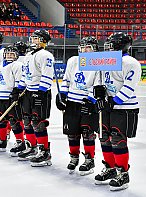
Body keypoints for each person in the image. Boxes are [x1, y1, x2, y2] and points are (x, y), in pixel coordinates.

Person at [94, 32, 141, 191]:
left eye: (111, 44)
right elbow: (100, 81)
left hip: (124, 108)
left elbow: (129, 86)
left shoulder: (130, 62)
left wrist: (114, 101)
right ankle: (110, 168)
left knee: (117, 139)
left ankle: (123, 173)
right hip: (108, 106)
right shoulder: (107, 60)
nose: (108, 47)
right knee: (104, 137)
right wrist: (99, 95)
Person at [56, 36, 99, 175]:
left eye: (88, 47)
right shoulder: (73, 60)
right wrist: (62, 94)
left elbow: (99, 84)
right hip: (72, 102)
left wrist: (91, 100)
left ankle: (89, 159)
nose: (84, 50)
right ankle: (74, 157)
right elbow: (67, 79)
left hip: (87, 102)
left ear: (95, 49)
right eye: (82, 47)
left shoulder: (99, 63)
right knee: (72, 133)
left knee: (88, 133)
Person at [17, 29, 54, 167]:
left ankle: (44, 152)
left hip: (40, 93)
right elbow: (25, 74)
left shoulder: (46, 55)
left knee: (38, 122)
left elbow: (47, 74)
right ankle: (32, 147)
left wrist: (41, 90)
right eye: (32, 38)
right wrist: (19, 88)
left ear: (44, 41)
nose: (33, 41)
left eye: (36, 38)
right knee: (27, 120)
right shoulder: (28, 55)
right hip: (28, 92)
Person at [0, 45, 25, 156]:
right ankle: (2, 141)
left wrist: (16, 92)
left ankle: (20, 142)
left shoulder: (18, 65)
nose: (9, 56)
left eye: (12, 54)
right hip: (1, 97)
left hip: (11, 97)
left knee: (14, 120)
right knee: (1, 120)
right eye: (8, 54)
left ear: (16, 56)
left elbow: (20, 80)